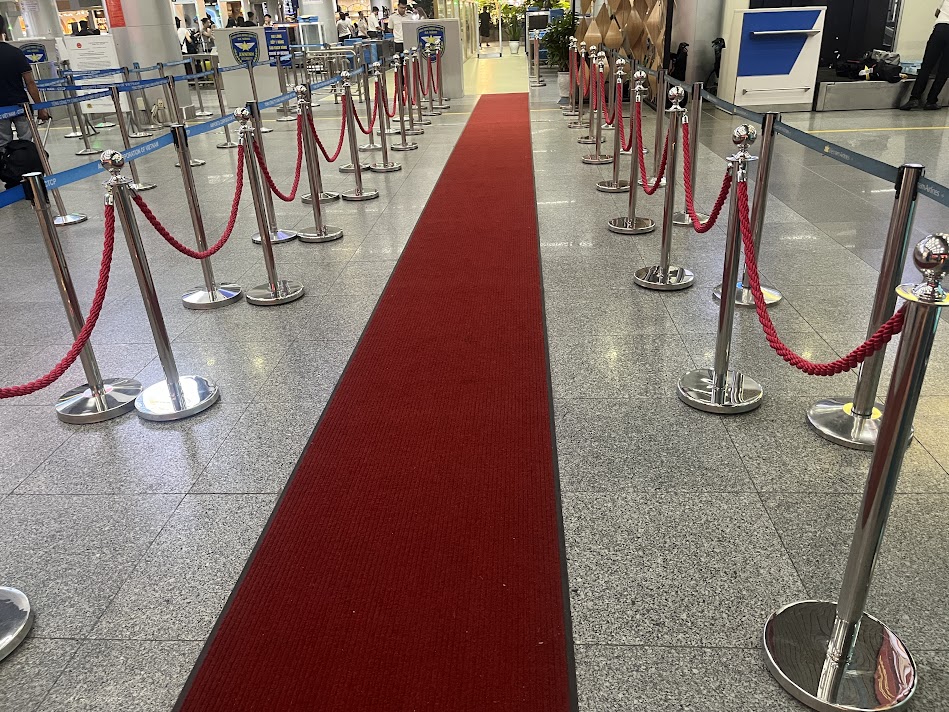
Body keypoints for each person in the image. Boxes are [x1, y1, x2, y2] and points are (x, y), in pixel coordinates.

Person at [0, 22, 50, 151]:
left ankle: (6, 163)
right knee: (27, 142)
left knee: (3, 144)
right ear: (4, 29)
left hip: (1, 108)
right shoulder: (15, 53)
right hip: (21, 105)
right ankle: (28, 162)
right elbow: (30, 82)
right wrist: (40, 107)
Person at [901, 1, 949, 110]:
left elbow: (937, 13)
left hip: (940, 29)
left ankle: (914, 98)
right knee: (944, 71)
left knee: (926, 66)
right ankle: (931, 101)